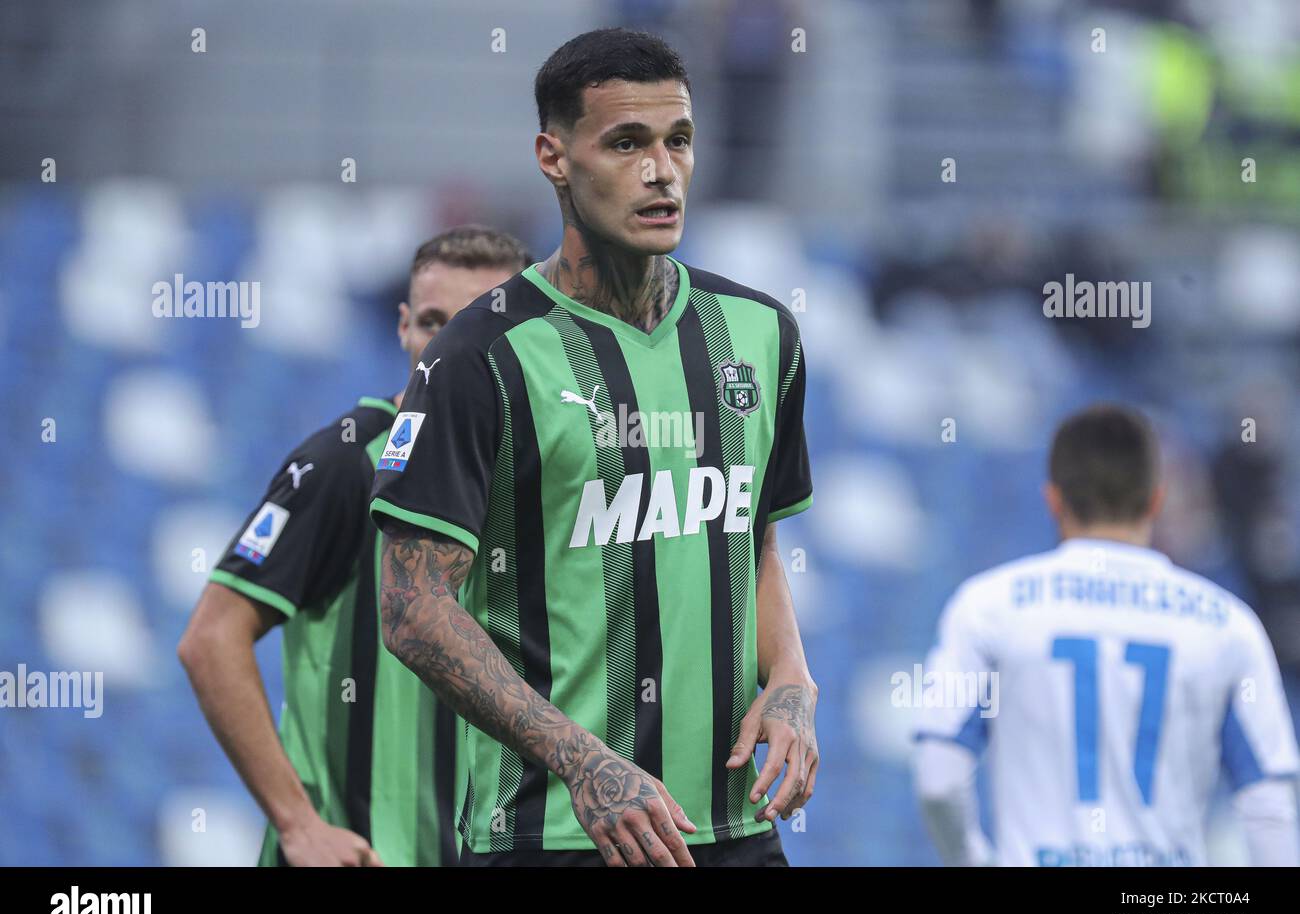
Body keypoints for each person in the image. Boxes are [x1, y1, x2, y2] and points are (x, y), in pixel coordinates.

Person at [370, 28, 818, 866]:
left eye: (677, 141)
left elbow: (750, 540)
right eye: (626, 143)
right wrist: (581, 760)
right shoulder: (481, 356)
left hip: (729, 833)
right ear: (553, 155)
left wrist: (791, 679)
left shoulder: (759, 333)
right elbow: (412, 608)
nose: (661, 170)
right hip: (555, 834)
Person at [178, 226, 528, 866]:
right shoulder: (345, 467)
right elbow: (210, 638)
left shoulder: (550, 480)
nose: (448, 352)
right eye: (432, 324)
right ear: (403, 329)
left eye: (477, 327)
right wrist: (298, 825)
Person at [914, 403, 1300, 866]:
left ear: (1053, 499)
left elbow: (939, 778)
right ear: (1155, 499)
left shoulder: (987, 607)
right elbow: (1270, 805)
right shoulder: (1228, 624)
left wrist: (971, 861)